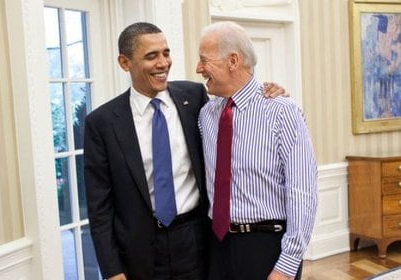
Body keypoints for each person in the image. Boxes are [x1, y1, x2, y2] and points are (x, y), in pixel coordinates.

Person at [84, 22, 286, 280]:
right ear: (125, 63)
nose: (163, 63)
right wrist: (112, 270)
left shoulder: (194, 97)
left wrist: (266, 89)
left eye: (166, 53)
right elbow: (99, 209)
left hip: (197, 241)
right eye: (151, 56)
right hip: (140, 252)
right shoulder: (101, 123)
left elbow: (237, 97)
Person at [197, 21, 318, 280]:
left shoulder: (282, 111)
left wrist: (286, 265)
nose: (198, 68)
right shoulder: (206, 115)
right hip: (216, 247)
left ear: (233, 60)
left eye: (204, 60)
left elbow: (302, 191)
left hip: (266, 247)